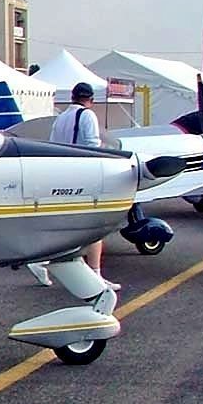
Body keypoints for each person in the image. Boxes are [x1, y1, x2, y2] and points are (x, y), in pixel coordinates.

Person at [48, 82, 119, 290]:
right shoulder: (88, 116)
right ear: (91, 99)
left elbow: (53, 144)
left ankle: (51, 264)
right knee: (96, 227)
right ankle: (95, 274)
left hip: (63, 175)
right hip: (83, 175)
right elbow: (92, 146)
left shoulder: (60, 118)